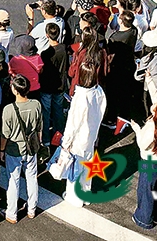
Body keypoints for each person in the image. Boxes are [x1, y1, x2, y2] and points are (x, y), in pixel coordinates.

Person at [59, 61, 106, 205]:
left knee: (75, 168)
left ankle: (75, 197)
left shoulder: (80, 96)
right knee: (87, 165)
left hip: (78, 138)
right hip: (91, 134)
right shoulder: (99, 92)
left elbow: (73, 123)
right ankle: (85, 194)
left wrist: (66, 142)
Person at [0, 74, 41, 223]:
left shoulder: (8, 109)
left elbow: (5, 134)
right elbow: (39, 127)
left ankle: (12, 213)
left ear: (15, 91)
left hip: (14, 150)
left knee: (13, 181)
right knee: (32, 178)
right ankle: (32, 209)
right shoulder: (36, 104)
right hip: (31, 148)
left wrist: (1, 150)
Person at [128, 101, 157, 229]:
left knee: (145, 191)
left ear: (155, 113)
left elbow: (142, 144)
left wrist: (137, 129)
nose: (155, 103)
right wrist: (150, 80)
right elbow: (154, 95)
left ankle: (144, 219)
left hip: (149, 163)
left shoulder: (152, 129)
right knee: (156, 188)